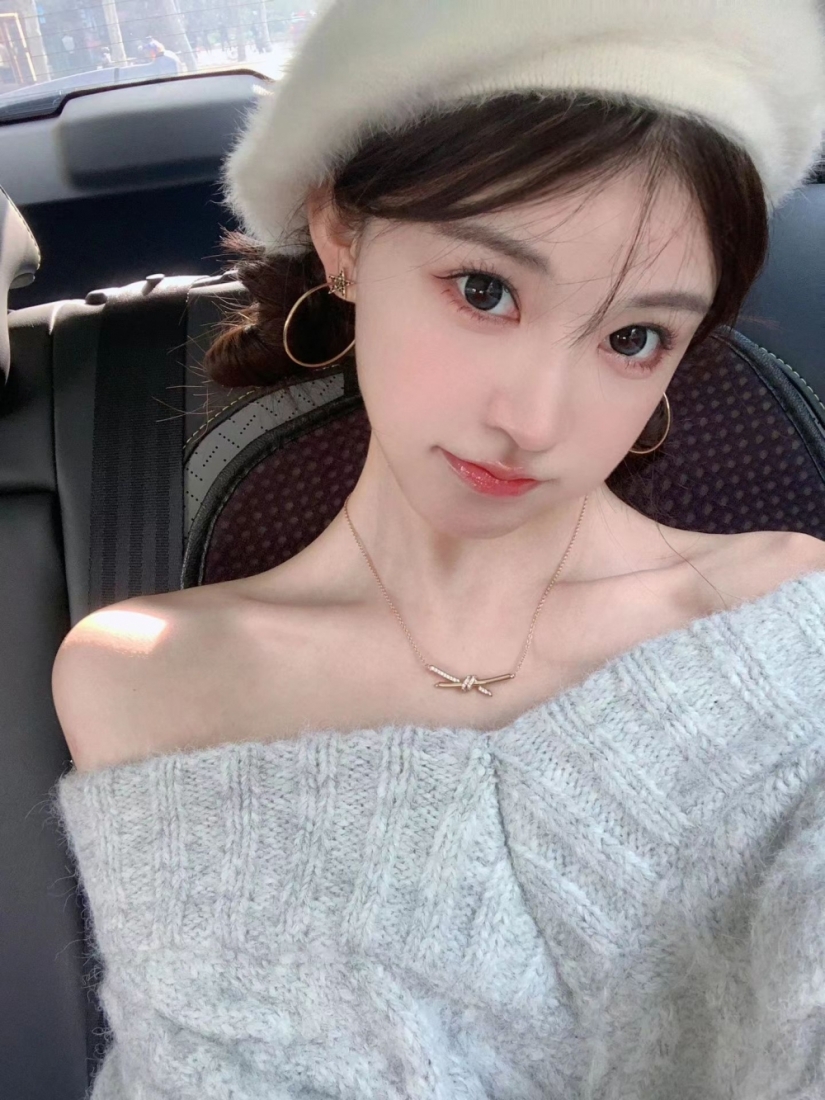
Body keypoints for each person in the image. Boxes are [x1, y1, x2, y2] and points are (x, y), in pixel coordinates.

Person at [50, 0, 825, 1096]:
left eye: (632, 337)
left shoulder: (792, 624)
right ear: (341, 236)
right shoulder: (144, 678)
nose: (537, 421)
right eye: (485, 290)